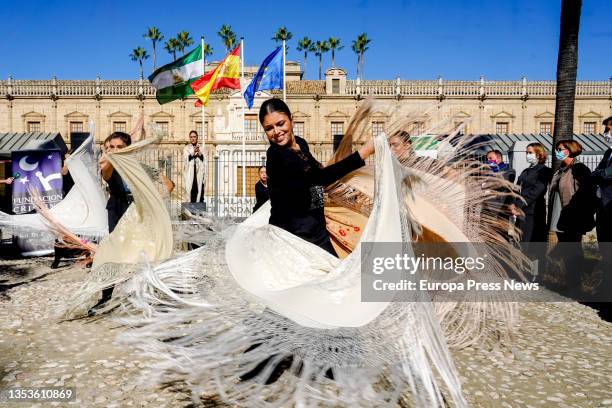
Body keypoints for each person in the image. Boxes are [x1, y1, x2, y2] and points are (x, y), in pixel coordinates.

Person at [261, 98, 375, 256]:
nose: (276, 132)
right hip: (293, 233)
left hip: (315, 226)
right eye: (269, 128)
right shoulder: (276, 155)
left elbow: (315, 176)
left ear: (291, 120)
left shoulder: (301, 143)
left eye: (280, 124)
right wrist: (362, 153)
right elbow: (318, 178)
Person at [548, 140, 597, 293]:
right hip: (562, 216)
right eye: (557, 149)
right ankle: (571, 282)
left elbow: (587, 192)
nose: (557, 151)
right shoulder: (561, 169)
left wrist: (577, 212)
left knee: (572, 250)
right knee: (569, 251)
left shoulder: (579, 169)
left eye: (560, 149)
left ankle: (576, 283)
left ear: (569, 150)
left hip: (574, 216)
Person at [510, 143, 553, 242]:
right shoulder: (526, 171)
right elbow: (516, 188)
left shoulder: (544, 171)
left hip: (533, 211)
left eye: (530, 152)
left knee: (530, 241)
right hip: (521, 211)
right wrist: (513, 204)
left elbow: (536, 191)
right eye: (526, 152)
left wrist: (519, 205)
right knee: (520, 240)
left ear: (538, 154)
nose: (527, 155)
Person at [99, 132, 132, 233]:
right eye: (112, 147)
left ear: (128, 148)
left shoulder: (136, 167)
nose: (115, 150)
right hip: (117, 210)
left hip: (134, 210)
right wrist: (110, 157)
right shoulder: (109, 167)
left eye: (119, 147)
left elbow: (168, 185)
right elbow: (105, 174)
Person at [183, 130, 206, 203]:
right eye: (191, 137)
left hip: (199, 173)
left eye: (194, 137)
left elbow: (205, 160)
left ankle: (199, 207)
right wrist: (193, 152)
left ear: (197, 138)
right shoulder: (186, 148)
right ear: (189, 138)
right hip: (190, 172)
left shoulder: (201, 148)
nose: (193, 138)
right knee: (190, 189)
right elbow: (186, 160)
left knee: (199, 190)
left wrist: (200, 154)